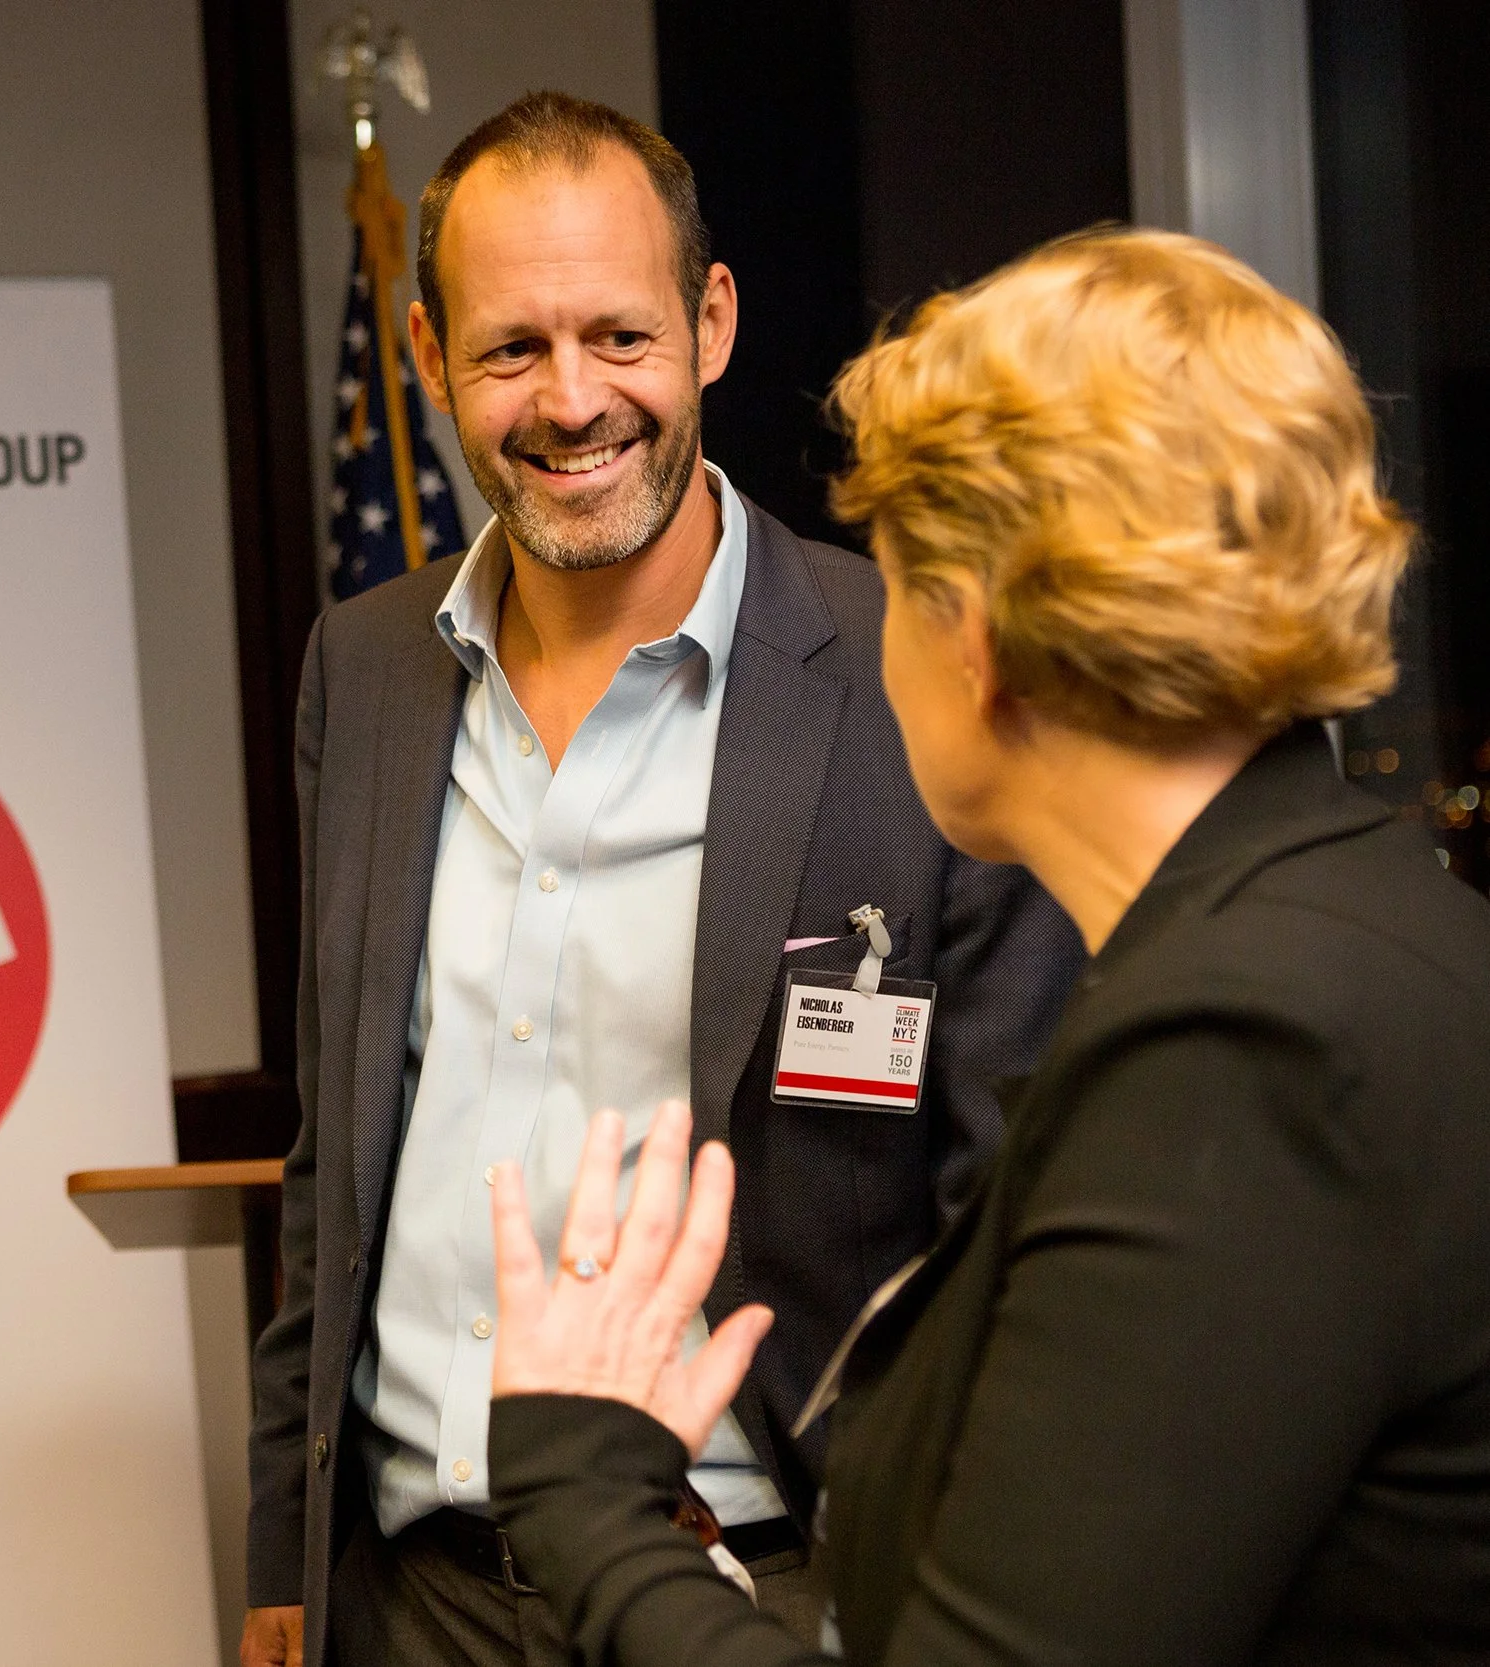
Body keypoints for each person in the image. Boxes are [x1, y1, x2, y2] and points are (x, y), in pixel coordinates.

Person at [484, 227, 1490, 1665]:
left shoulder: (1241, 1045)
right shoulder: (1356, 919)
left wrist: (585, 1496)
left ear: (981, 637)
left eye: (898, 576)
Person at [242, 91, 1083, 1667]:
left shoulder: (915, 674)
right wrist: (278, 1557)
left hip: (760, 1587)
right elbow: (335, 1151)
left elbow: (1009, 1208)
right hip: (406, 1591)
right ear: (428, 358)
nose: (571, 403)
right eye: (509, 351)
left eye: (620, 336)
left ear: (711, 322)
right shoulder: (361, 669)